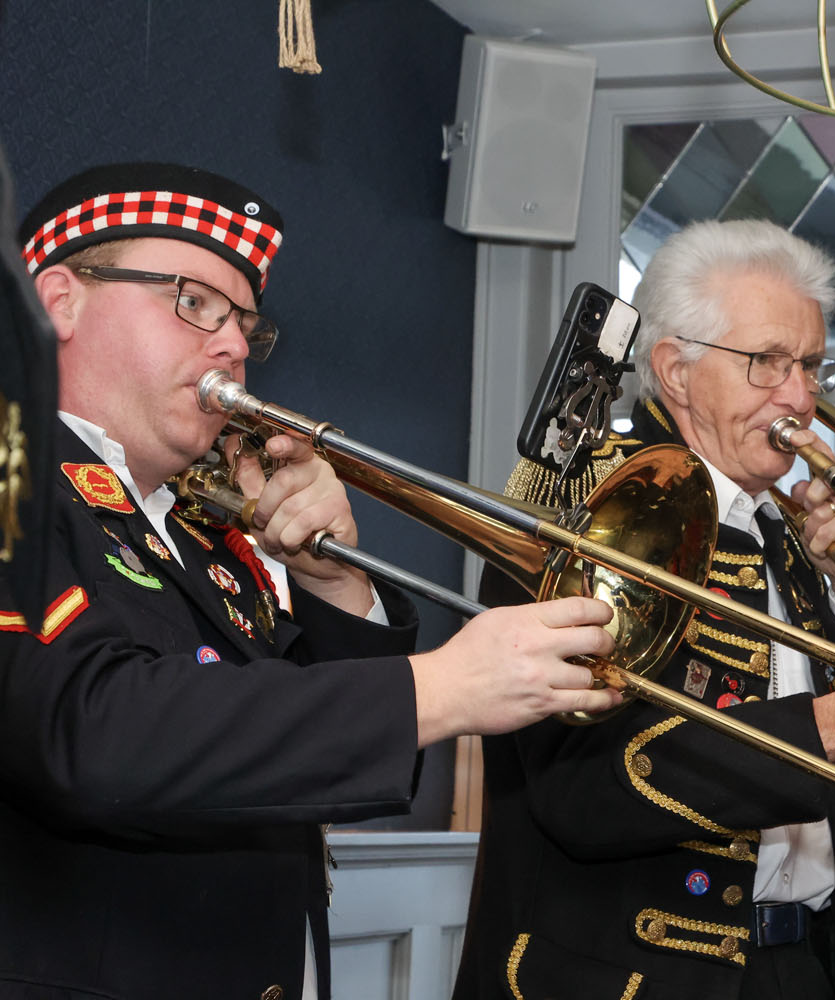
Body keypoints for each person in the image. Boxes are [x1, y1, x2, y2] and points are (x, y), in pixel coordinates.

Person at [0, 162, 622, 1000]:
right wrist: (439, 687)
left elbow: (301, 753)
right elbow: (90, 733)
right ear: (59, 302)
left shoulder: (203, 531)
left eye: (243, 325)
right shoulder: (17, 484)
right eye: (194, 303)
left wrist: (332, 583)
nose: (232, 346)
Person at [452, 219, 835, 1000]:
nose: (800, 396)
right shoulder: (585, 510)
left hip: (801, 966)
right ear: (676, 371)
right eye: (767, 362)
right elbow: (583, 792)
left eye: (811, 366)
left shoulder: (785, 531)